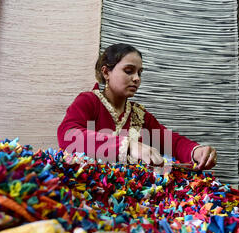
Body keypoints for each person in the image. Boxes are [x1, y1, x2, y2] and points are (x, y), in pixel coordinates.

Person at [57, 43, 217, 170]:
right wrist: (128, 145)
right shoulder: (89, 101)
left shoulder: (138, 115)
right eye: (128, 71)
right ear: (106, 72)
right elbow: (68, 135)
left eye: (139, 73)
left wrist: (196, 151)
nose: (136, 79)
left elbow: (171, 142)